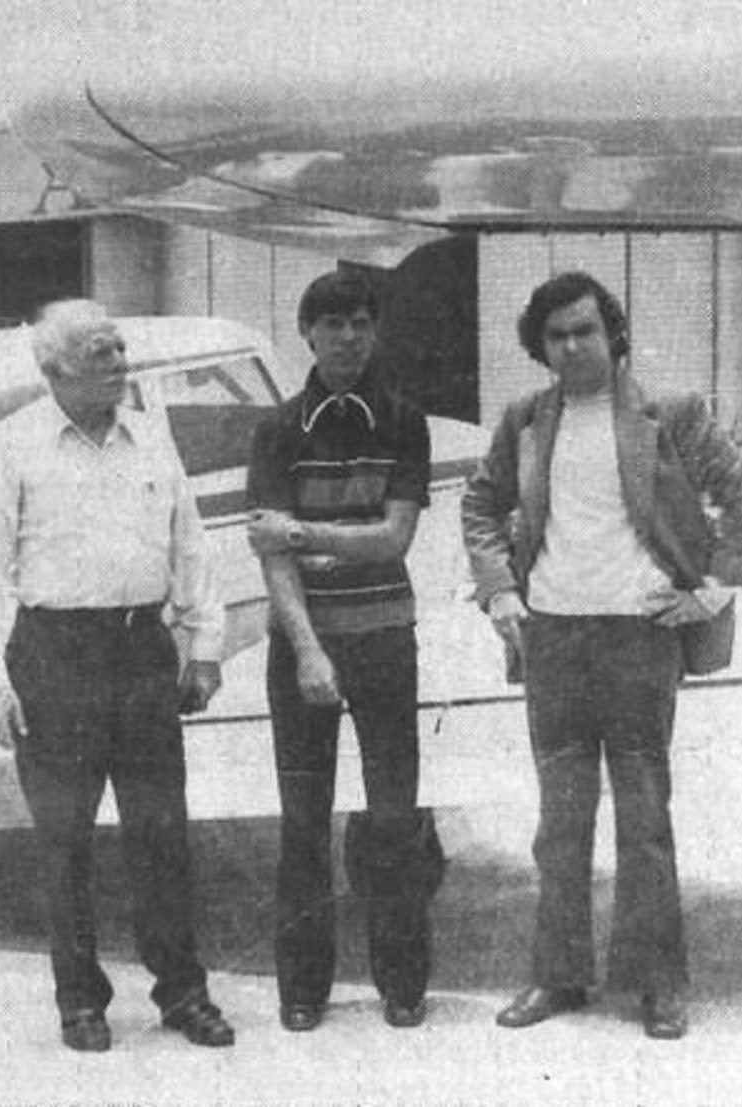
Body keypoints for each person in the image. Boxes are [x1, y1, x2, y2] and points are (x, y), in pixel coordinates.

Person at [462, 271, 742, 1040]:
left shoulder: (668, 414)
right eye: (557, 335)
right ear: (540, 347)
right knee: (558, 823)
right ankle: (558, 975)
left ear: (613, 333)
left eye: (585, 330)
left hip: (639, 640)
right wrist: (501, 591)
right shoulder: (526, 420)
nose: (572, 346)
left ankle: (657, 983)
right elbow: (479, 505)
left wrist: (710, 590)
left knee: (643, 817)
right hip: (553, 640)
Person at [0, 299, 234, 1053]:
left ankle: (183, 991)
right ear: (53, 370)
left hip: (140, 652)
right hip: (53, 657)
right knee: (65, 840)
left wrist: (204, 643)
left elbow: (190, 543)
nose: (119, 360)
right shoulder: (10, 445)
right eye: (99, 351)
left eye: (119, 346)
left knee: (162, 831)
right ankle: (79, 1001)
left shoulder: (153, 437)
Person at [245, 270, 444, 1033]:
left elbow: (393, 537)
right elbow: (272, 562)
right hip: (304, 650)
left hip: (386, 640)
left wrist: (302, 532)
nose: (349, 337)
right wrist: (307, 650)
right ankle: (303, 987)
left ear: (377, 331)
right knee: (302, 821)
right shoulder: (277, 430)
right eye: (334, 325)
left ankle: (402, 982)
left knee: (393, 814)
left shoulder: (403, 419)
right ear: (309, 333)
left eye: (362, 322)